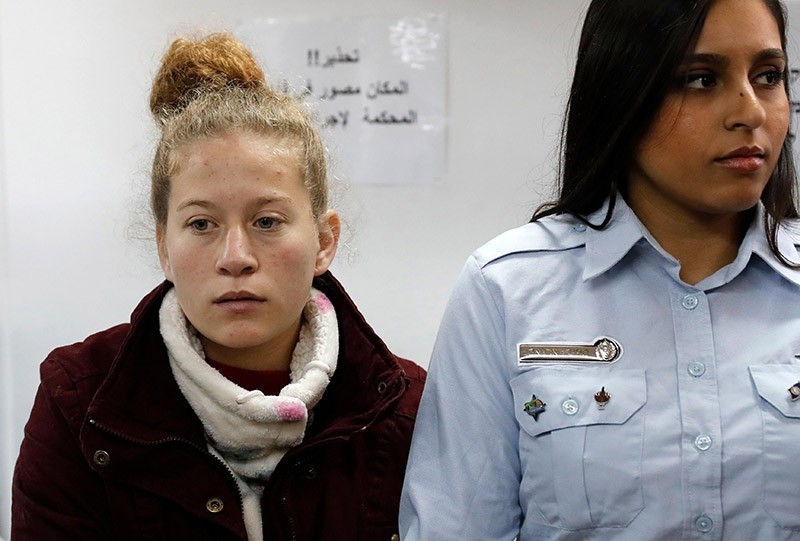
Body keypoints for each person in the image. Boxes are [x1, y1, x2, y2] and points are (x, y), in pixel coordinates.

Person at [400, 0, 800, 538]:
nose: (749, 111)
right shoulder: (507, 288)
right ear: (622, 93)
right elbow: (457, 525)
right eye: (700, 79)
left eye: (768, 76)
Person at [12, 32, 425, 541]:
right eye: (202, 224)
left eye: (268, 221)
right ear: (164, 246)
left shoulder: (408, 410)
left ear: (323, 241)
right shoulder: (77, 399)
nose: (236, 258)